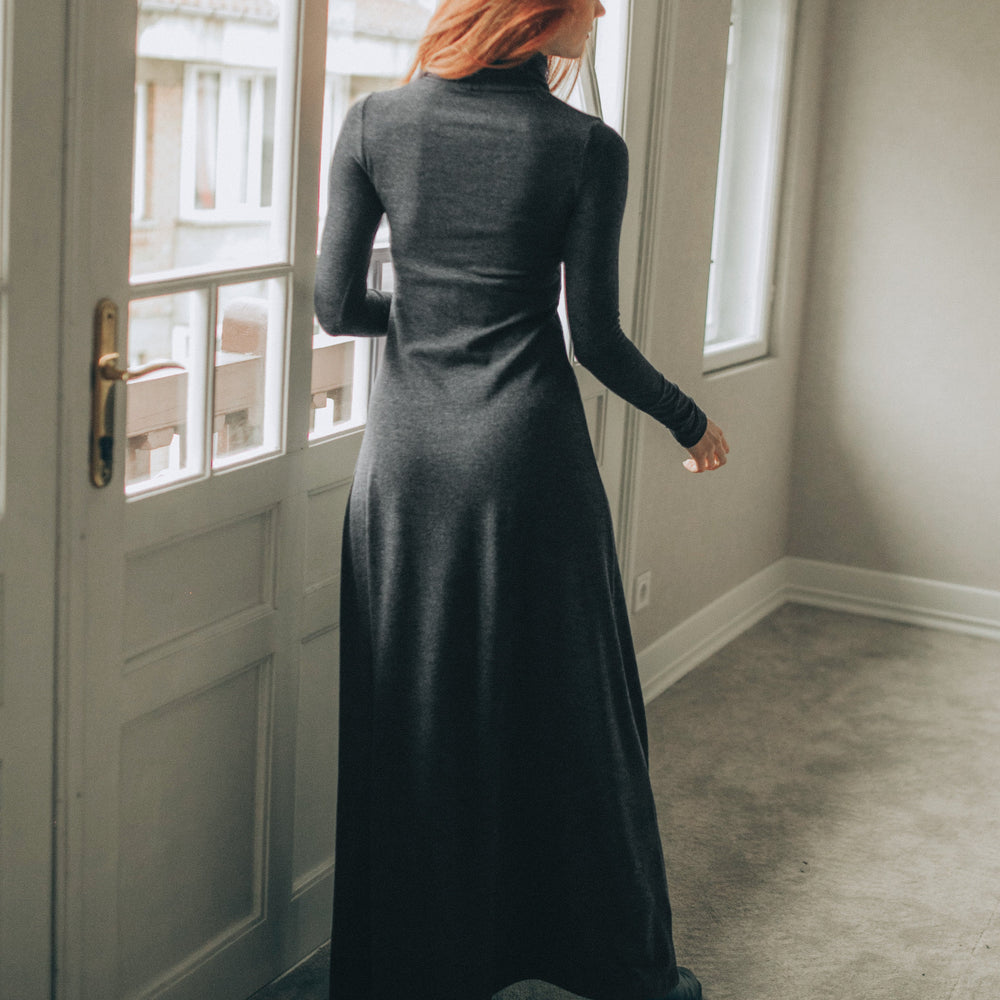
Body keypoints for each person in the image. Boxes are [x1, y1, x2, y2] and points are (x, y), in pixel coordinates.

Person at [314, 1, 729, 997]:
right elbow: (593, 338)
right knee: (568, 709)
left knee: (415, 708)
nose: (595, 13)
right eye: (586, 0)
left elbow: (333, 305)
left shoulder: (375, 123)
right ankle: (602, 959)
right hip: (525, 461)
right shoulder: (585, 146)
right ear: (536, 15)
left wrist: (426, 309)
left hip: (407, 466)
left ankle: (421, 963)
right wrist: (688, 420)